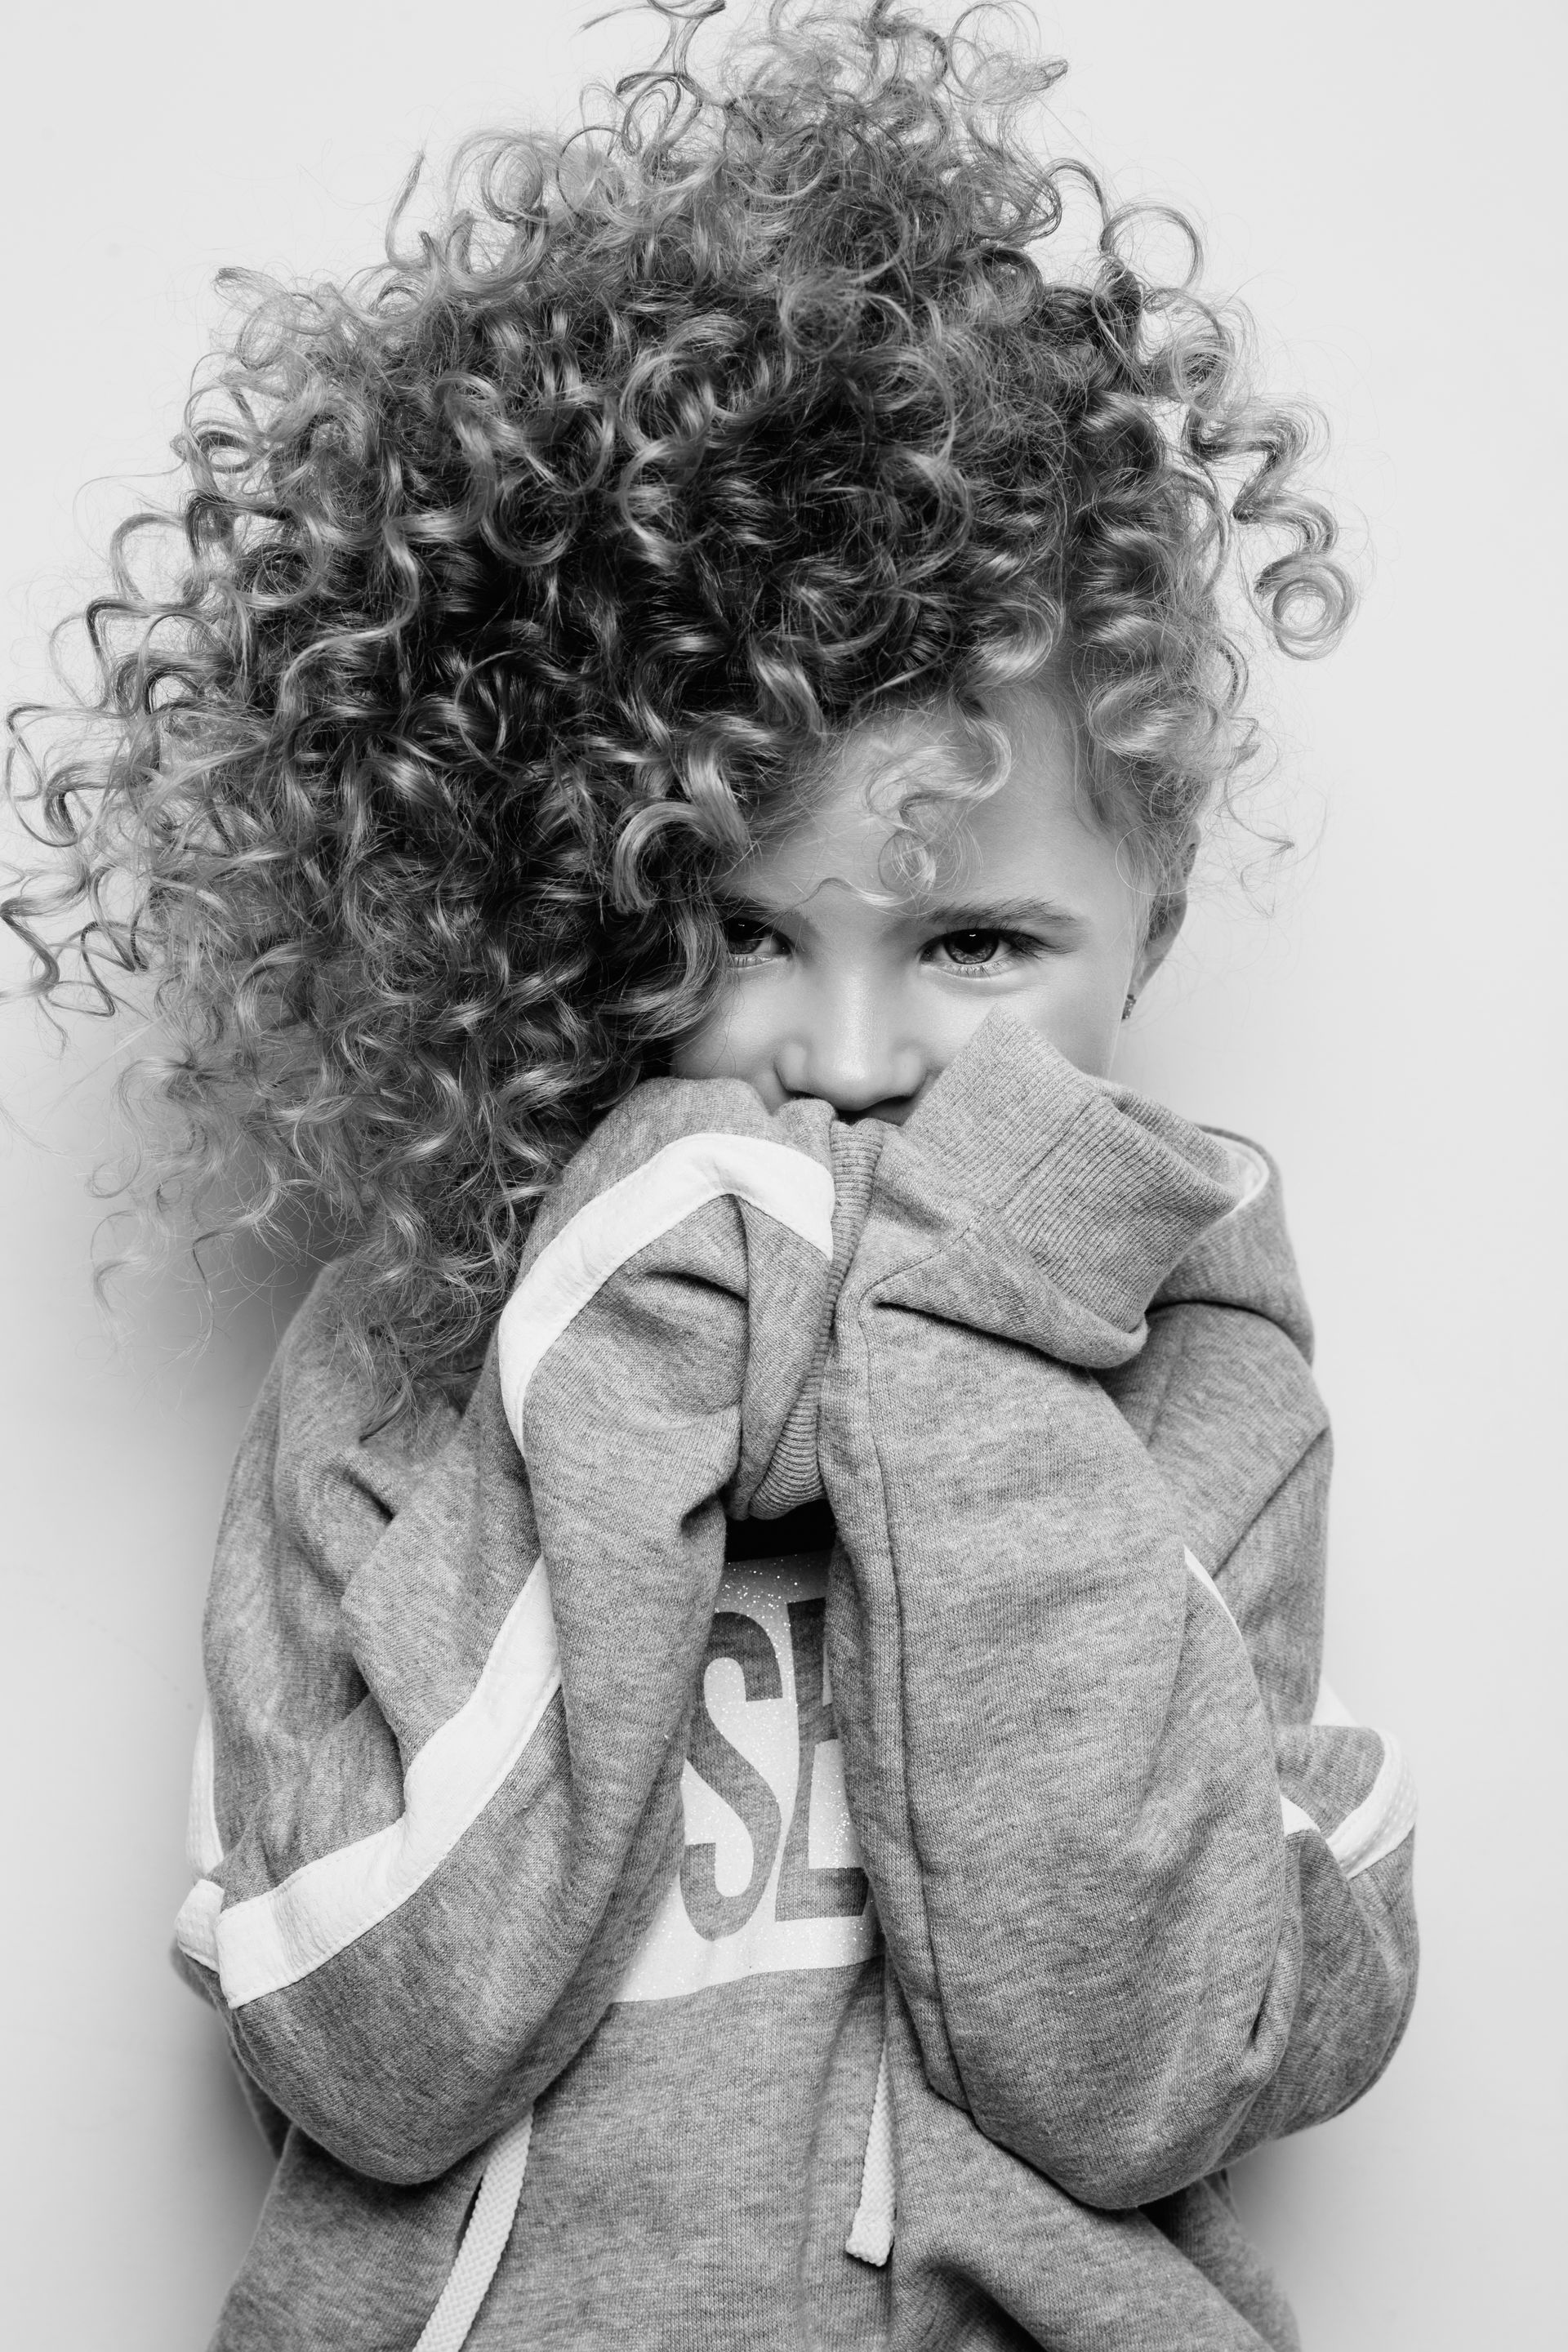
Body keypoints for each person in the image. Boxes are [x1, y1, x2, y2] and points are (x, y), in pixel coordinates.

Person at [2, 4, 1418, 2345]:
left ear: (1149, 908)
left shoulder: (1207, 1381)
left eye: (976, 941)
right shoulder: (413, 1365)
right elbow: (368, 2044)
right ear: (588, 891)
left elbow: (1156, 2073)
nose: (854, 1060)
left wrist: (963, 1333)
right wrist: (645, 1304)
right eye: (748, 933)